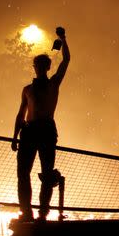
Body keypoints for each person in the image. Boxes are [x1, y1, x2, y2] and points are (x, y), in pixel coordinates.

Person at [11, 27, 70, 222]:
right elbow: (21, 114)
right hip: (29, 132)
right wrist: (14, 136)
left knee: (46, 174)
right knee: (23, 173)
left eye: (42, 65)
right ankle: (26, 212)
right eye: (37, 64)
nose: (39, 67)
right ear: (34, 67)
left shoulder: (53, 84)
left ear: (46, 68)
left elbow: (66, 60)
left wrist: (63, 39)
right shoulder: (27, 89)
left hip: (45, 129)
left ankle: (42, 213)